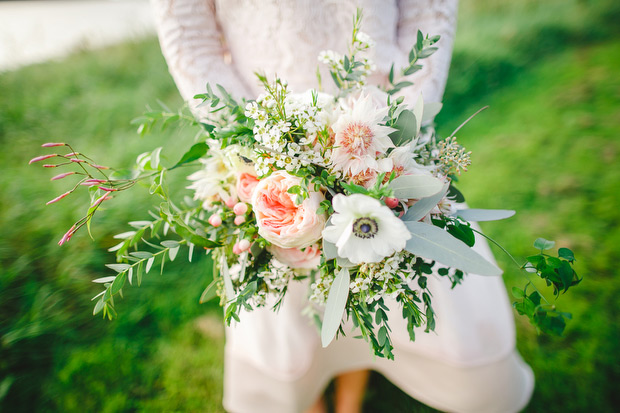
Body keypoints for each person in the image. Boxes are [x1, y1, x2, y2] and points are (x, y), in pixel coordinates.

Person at [151, 1, 535, 412]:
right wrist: (259, 142)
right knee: (287, 289)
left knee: (372, 265)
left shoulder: (390, 131)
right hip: (265, 133)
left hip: (382, 125)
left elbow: (430, 13)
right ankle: (308, 399)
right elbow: (189, 37)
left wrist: (399, 128)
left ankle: (350, 400)